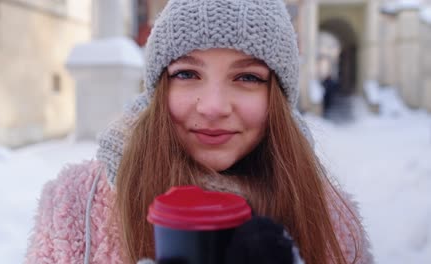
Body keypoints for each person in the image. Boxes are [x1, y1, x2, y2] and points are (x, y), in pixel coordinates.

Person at [25, 0, 373, 263]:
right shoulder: (73, 206)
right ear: (159, 88)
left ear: (277, 99)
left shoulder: (328, 216)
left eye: (247, 77)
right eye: (187, 74)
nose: (213, 106)